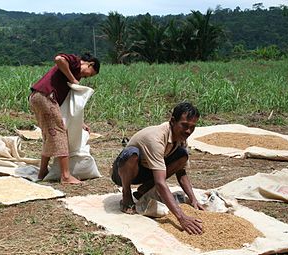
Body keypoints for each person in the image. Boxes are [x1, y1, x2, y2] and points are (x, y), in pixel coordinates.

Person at [111, 102, 204, 235]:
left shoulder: (181, 137)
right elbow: (161, 183)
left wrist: (193, 199)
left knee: (183, 155)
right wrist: (181, 217)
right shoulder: (156, 138)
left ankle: (145, 189)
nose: (188, 131)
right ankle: (126, 194)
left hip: (147, 170)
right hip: (124, 172)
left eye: (192, 127)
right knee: (131, 154)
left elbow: (181, 172)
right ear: (172, 121)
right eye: (184, 125)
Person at [29, 53, 100, 184]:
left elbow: (67, 104)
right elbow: (59, 59)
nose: (85, 76)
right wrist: (72, 78)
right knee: (61, 133)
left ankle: (42, 171)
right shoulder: (75, 62)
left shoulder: (73, 72)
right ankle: (66, 175)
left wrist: (80, 122)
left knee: (49, 134)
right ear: (90, 64)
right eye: (89, 74)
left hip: (38, 97)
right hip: (45, 97)